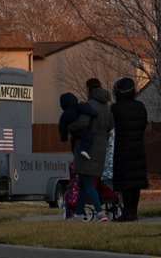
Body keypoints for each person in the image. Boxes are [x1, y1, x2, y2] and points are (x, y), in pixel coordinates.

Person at [68, 79, 114, 221]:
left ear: (89, 88)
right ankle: (78, 213)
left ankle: (100, 212)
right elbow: (111, 125)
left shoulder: (88, 105)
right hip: (101, 147)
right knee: (82, 180)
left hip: (86, 148)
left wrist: (69, 127)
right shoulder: (107, 107)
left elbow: (82, 123)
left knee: (87, 181)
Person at [110, 76, 149, 222]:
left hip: (122, 148)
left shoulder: (115, 109)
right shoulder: (140, 106)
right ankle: (134, 212)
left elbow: (111, 129)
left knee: (126, 182)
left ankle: (127, 212)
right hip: (138, 147)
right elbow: (143, 125)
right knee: (136, 182)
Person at [58, 92, 97, 160]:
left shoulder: (63, 115)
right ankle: (84, 149)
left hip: (73, 132)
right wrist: (93, 112)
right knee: (88, 137)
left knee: (73, 140)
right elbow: (85, 109)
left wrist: (64, 137)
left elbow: (62, 127)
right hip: (81, 129)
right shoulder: (77, 107)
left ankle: (74, 152)